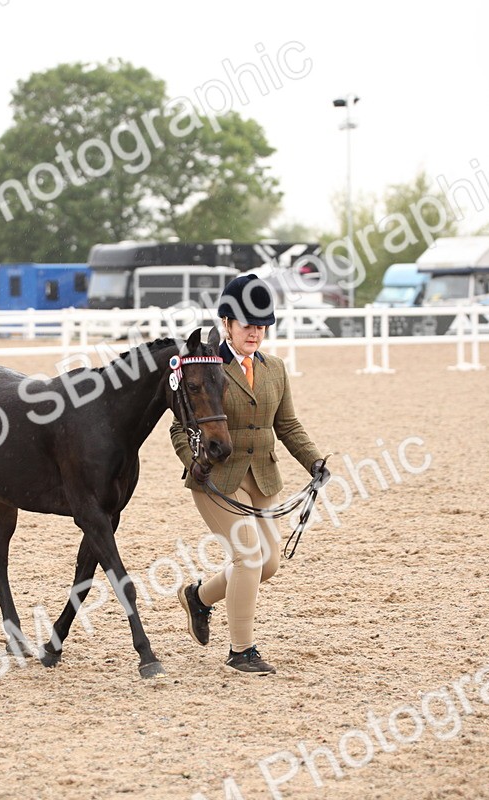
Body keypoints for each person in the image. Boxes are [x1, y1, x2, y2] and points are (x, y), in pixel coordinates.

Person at [170, 273, 327, 675]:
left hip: (262, 476)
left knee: (269, 563)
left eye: (261, 326)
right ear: (227, 325)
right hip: (217, 479)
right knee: (248, 558)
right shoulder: (207, 366)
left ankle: (199, 598)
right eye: (247, 326)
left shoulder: (274, 369)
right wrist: (194, 463)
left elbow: (287, 425)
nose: (255, 333)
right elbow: (178, 426)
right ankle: (241, 650)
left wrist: (313, 461)